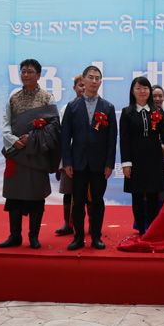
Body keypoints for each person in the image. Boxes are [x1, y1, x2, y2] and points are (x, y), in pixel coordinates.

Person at [0, 59, 61, 249]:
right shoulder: (14, 98)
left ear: (39, 75)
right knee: (13, 196)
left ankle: (34, 236)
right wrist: (13, 140)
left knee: (36, 196)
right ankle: (14, 236)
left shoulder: (47, 98)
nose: (25, 75)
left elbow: (54, 128)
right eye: (23, 71)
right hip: (16, 153)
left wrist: (31, 138)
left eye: (30, 72)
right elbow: (6, 124)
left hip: (36, 154)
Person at [61, 66, 117, 250]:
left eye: (97, 78)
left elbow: (112, 139)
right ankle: (78, 238)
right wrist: (67, 162)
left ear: (100, 82)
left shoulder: (108, 107)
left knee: (97, 201)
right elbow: (65, 137)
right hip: (77, 163)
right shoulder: (72, 107)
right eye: (91, 77)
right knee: (78, 201)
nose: (94, 81)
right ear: (83, 80)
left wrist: (109, 164)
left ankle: (96, 237)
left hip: (99, 164)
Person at [121, 78, 164, 234]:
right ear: (132, 91)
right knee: (137, 196)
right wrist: (126, 163)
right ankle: (141, 230)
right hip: (135, 161)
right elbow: (124, 140)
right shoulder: (127, 112)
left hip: (154, 160)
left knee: (153, 195)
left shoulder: (157, 111)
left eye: (145, 88)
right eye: (138, 88)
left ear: (149, 91)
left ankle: (153, 230)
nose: (142, 91)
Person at [55, 75, 87, 236]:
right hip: (69, 157)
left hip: (88, 157)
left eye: (85, 85)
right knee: (68, 192)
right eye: (80, 85)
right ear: (74, 88)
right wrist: (60, 162)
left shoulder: (98, 107)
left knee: (89, 194)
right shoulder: (67, 108)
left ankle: (92, 225)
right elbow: (62, 136)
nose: (83, 88)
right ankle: (67, 224)